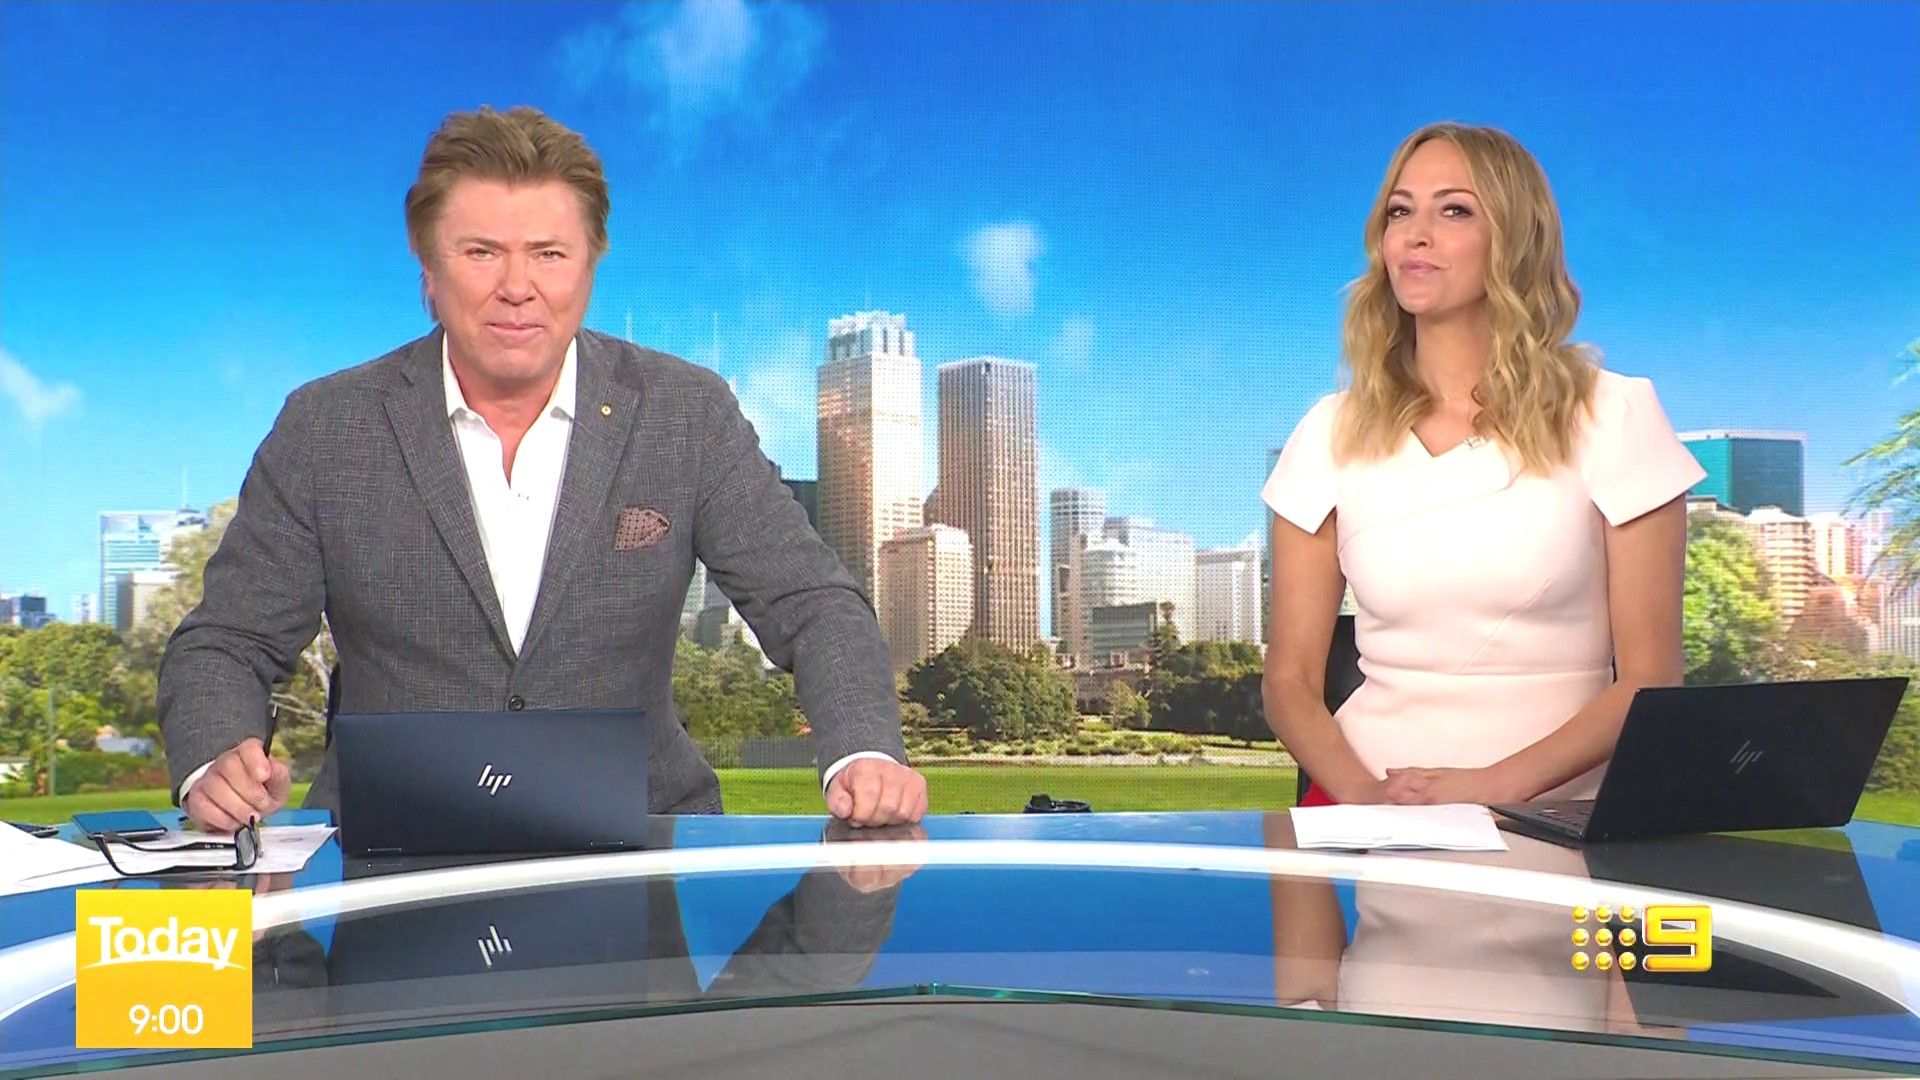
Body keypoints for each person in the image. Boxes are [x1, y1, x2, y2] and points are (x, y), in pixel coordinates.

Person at [159, 106, 928, 830]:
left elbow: (813, 605)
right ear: (428, 269)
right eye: (481, 252)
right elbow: (226, 640)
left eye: (549, 254)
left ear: (590, 266)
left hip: (636, 849)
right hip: (385, 851)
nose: (517, 287)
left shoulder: (685, 412)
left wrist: (862, 751)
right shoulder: (326, 428)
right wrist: (214, 758)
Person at [1261, 122, 1706, 807]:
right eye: (1400, 212)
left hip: (1556, 818)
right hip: (1368, 811)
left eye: (1454, 211)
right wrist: (1370, 800)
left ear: (1515, 238)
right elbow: (1289, 683)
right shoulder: (1329, 431)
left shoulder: (1615, 415)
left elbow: (1651, 680)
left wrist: (1487, 790)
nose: (1416, 235)